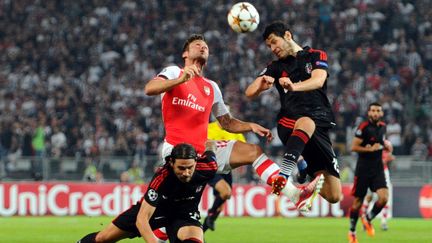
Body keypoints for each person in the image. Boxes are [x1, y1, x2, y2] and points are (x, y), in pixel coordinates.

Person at [144, 33, 323, 213]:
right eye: (197, 45)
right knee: (172, 212)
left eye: (205, 46)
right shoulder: (174, 72)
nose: (203, 47)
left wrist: (250, 125)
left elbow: (227, 123)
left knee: (253, 151)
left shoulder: (211, 87)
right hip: (177, 151)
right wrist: (180, 81)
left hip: (202, 150)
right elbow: (150, 88)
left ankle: (295, 195)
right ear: (185, 54)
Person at [245, 21, 341, 205]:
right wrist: (260, 86)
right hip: (290, 122)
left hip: (319, 126)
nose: (272, 48)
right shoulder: (275, 67)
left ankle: (303, 169)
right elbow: (249, 92)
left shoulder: (315, 55)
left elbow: (318, 80)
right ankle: (284, 174)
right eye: (268, 46)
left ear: (287, 36)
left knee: (334, 195)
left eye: (274, 42)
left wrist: (294, 86)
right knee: (306, 122)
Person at [77, 143, 217, 243]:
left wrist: (210, 143)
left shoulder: (208, 167)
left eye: (190, 168)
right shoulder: (161, 177)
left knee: (195, 237)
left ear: (196, 162)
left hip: (184, 214)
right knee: (103, 238)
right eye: (181, 168)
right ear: (171, 162)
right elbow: (142, 219)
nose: (186, 173)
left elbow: (211, 148)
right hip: (155, 212)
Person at [348, 102, 390, 243]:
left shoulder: (383, 127)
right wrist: (369, 149)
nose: (376, 113)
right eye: (373, 110)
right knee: (358, 202)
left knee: (384, 198)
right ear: (369, 113)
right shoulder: (363, 127)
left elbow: (380, 142)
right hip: (363, 169)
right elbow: (353, 147)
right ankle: (352, 232)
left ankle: (367, 218)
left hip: (377, 168)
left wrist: (386, 145)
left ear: (381, 113)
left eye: (378, 110)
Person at [361, 140, 395, 231]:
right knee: (369, 197)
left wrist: (388, 157)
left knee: (385, 197)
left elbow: (389, 154)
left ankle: (383, 222)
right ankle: (365, 221)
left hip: (383, 172)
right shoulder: (369, 143)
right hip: (371, 172)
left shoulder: (386, 143)